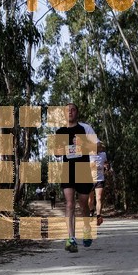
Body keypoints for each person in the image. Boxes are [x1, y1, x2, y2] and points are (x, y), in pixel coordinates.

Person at [55, 102, 97, 253]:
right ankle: (71, 238)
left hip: (83, 169)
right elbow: (57, 153)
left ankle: (86, 228)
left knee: (83, 204)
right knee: (69, 204)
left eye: (73, 109)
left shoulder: (85, 129)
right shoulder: (59, 132)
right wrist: (61, 150)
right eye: (67, 110)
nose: (70, 112)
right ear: (64, 114)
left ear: (77, 113)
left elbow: (101, 147)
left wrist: (84, 144)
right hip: (67, 170)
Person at [88, 141, 109, 226]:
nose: (99, 149)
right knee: (90, 199)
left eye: (100, 147)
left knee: (99, 198)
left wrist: (106, 166)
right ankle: (91, 210)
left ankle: (99, 216)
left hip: (100, 179)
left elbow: (106, 163)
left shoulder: (103, 154)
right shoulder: (88, 155)